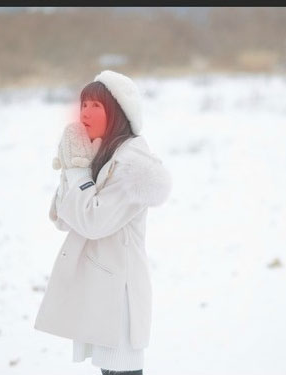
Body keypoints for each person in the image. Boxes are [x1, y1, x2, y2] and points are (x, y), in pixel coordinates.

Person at [35, 70, 172, 375]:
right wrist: (73, 166)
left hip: (119, 295)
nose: (85, 111)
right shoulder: (101, 155)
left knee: (121, 370)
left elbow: (93, 221)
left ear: (119, 113)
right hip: (100, 288)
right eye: (84, 103)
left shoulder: (133, 166)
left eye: (97, 105)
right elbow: (62, 218)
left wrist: (77, 173)